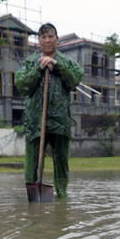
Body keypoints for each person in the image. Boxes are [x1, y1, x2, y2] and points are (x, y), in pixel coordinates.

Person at [14, 23, 84, 198]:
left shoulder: (66, 62)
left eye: (50, 36)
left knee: (61, 162)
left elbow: (75, 79)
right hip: (35, 122)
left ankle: (62, 196)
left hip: (60, 122)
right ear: (38, 41)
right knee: (32, 163)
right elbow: (22, 86)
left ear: (57, 40)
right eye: (43, 37)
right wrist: (39, 68)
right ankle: (34, 196)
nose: (47, 40)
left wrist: (56, 65)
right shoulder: (30, 62)